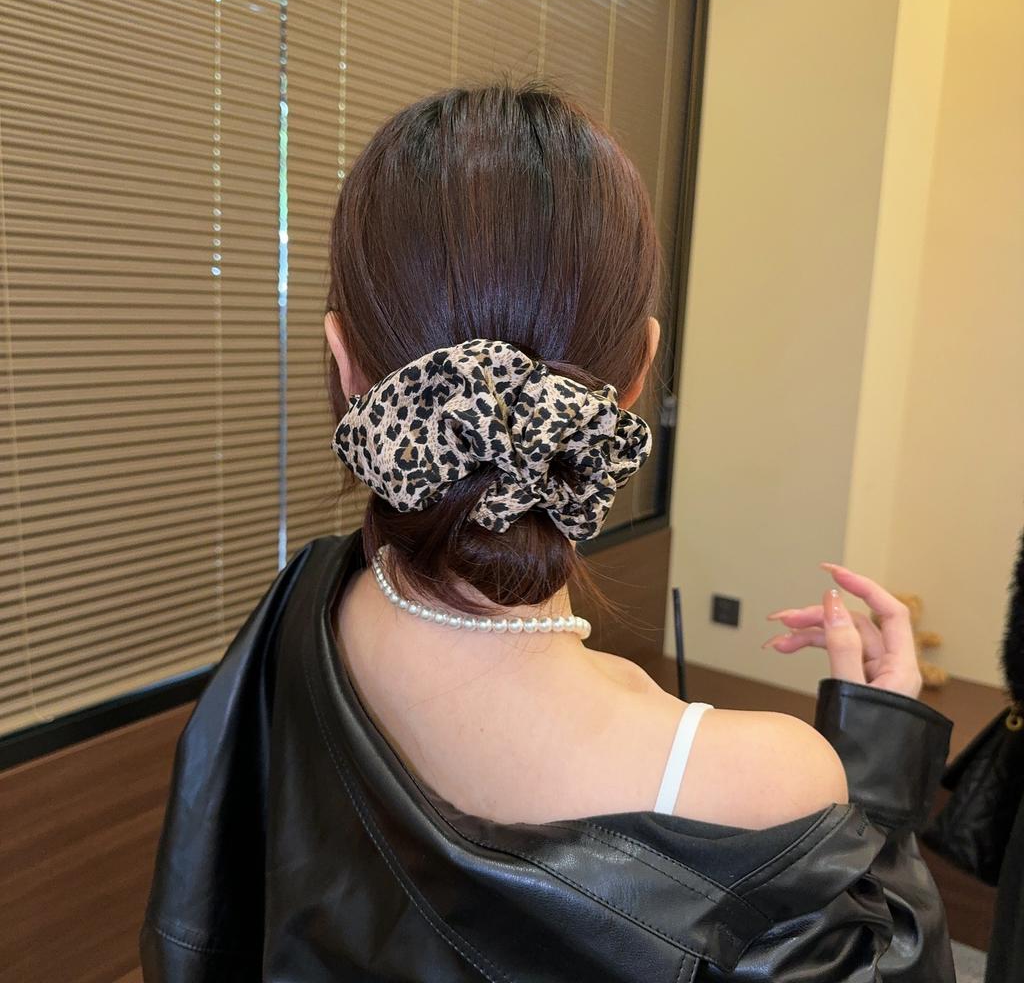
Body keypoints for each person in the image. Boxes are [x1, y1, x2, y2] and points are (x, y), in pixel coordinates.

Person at [141, 81, 955, 981]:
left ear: (345, 362)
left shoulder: (307, 604)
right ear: (636, 376)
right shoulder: (764, 784)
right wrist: (877, 791)